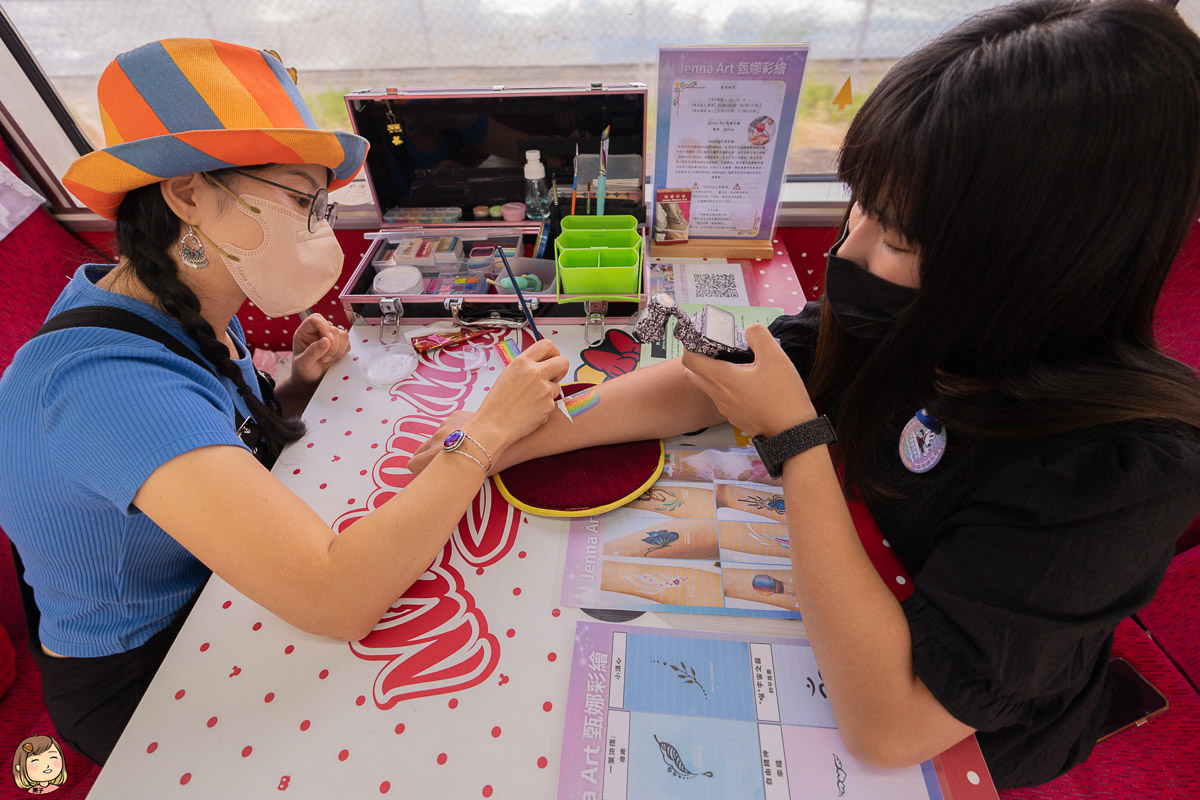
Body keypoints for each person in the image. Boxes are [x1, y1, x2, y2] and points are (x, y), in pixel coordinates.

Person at [414, 0, 1200, 788]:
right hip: (845, 576)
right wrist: (502, 440)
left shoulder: (1118, 474)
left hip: (958, 732)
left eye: (900, 237)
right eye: (859, 202)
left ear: (1041, 267)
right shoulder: (910, 310)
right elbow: (720, 378)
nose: (848, 247)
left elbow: (890, 726)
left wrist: (795, 442)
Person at [0, 39, 566, 765]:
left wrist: (292, 387)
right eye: (302, 201)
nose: (321, 230)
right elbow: (337, 598)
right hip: (147, 664)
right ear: (187, 193)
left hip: (220, 587)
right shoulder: (105, 387)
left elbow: (211, 432)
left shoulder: (179, 293)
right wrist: (487, 431)